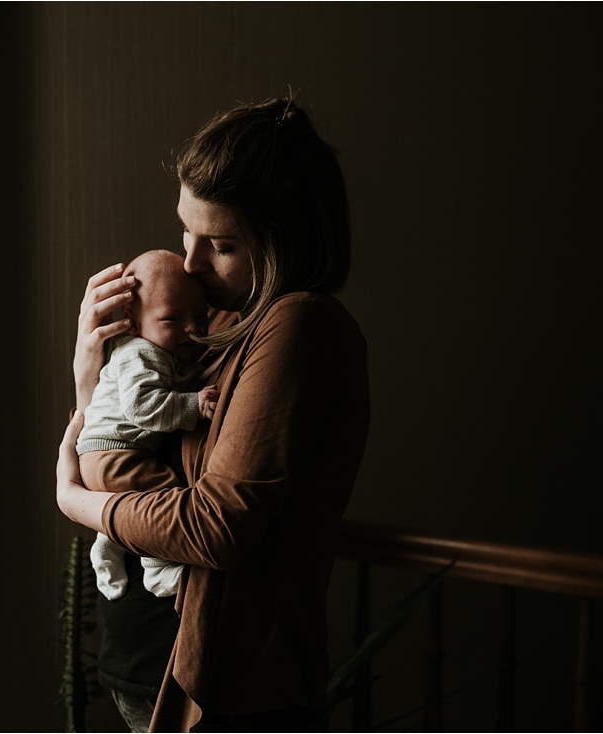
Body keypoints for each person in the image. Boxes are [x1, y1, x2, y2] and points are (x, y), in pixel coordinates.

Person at [56, 96, 370, 733]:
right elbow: (124, 443)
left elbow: (214, 529)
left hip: (226, 697)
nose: (191, 264)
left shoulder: (297, 326)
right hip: (142, 673)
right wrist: (90, 376)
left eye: (221, 244)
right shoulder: (213, 321)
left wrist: (74, 501)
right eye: (185, 232)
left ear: (284, 243)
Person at [77, 249, 219, 602]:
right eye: (172, 319)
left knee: (133, 500)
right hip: (117, 454)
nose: (192, 329)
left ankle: (108, 545)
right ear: (133, 319)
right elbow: (143, 408)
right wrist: (195, 403)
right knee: (163, 497)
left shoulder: (161, 352)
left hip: (103, 457)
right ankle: (157, 569)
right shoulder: (141, 353)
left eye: (200, 316)